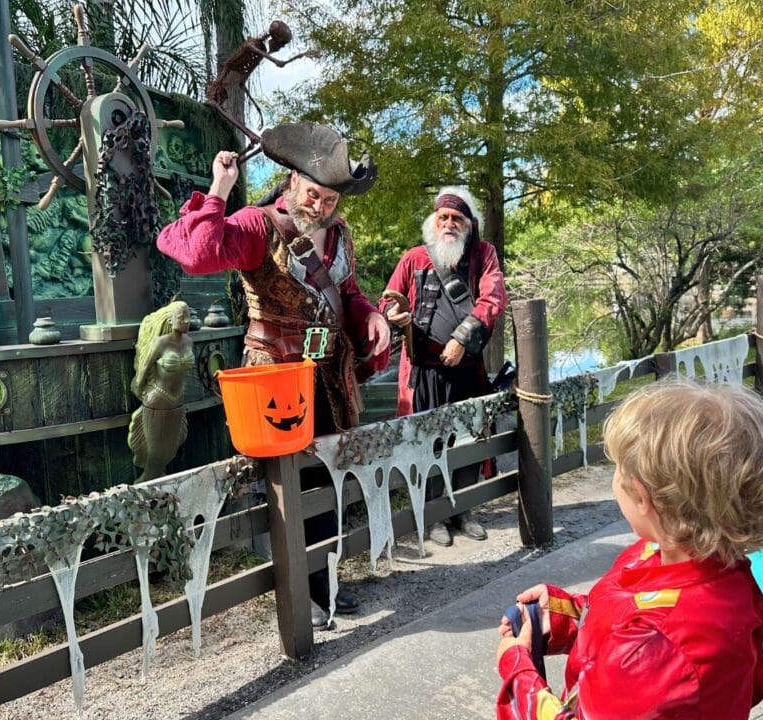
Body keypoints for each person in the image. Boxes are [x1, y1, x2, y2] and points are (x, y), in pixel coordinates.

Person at [493, 380, 763, 720]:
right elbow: (628, 615)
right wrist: (565, 617)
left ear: (641, 495)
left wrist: (516, 667)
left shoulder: (659, 647)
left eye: (618, 470)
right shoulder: (689, 563)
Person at [156, 122, 392, 628]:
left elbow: (346, 295)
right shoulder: (256, 226)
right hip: (275, 379)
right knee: (285, 487)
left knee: (325, 481)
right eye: (313, 195)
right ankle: (298, 593)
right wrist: (219, 189)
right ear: (290, 184)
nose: (320, 207)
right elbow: (195, 253)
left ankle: (325, 583)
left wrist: (370, 313)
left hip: (326, 379)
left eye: (330, 200)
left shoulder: (340, 234)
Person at [378, 186, 506, 546]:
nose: (450, 224)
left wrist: (461, 339)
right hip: (424, 371)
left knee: (466, 441)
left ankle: (463, 510)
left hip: (466, 369)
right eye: (444, 218)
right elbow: (387, 300)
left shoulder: (483, 255)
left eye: (457, 218)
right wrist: (394, 313)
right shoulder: (414, 258)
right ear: (434, 221)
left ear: (469, 224)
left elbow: (493, 298)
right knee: (428, 444)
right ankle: (433, 515)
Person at [128, 300, 196, 483]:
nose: (186, 321)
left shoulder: (189, 341)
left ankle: (158, 484)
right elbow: (143, 369)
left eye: (188, 316)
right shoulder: (160, 343)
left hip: (178, 400)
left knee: (170, 448)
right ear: (171, 320)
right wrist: (140, 387)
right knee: (155, 451)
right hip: (158, 398)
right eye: (181, 317)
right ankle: (145, 483)